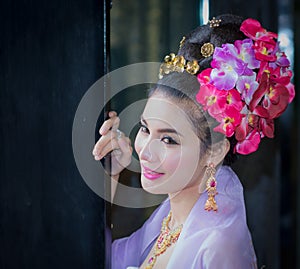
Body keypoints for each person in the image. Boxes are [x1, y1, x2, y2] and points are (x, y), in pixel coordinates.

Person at [92, 14, 295, 269]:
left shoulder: (218, 247)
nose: (145, 151)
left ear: (215, 150)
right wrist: (112, 174)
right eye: (145, 129)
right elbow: (104, 259)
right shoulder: (169, 217)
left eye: (168, 139)